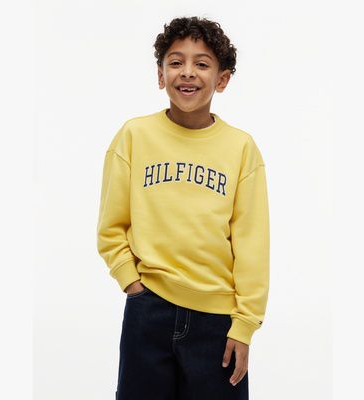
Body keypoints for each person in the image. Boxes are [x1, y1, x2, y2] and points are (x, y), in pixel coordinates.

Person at [96, 16, 270, 400]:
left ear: (222, 79)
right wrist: (132, 283)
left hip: (217, 321)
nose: (187, 72)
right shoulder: (134, 136)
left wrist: (245, 324)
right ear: (161, 75)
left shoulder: (241, 148)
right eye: (176, 62)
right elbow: (111, 225)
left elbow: (252, 243)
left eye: (201, 63)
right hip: (148, 309)